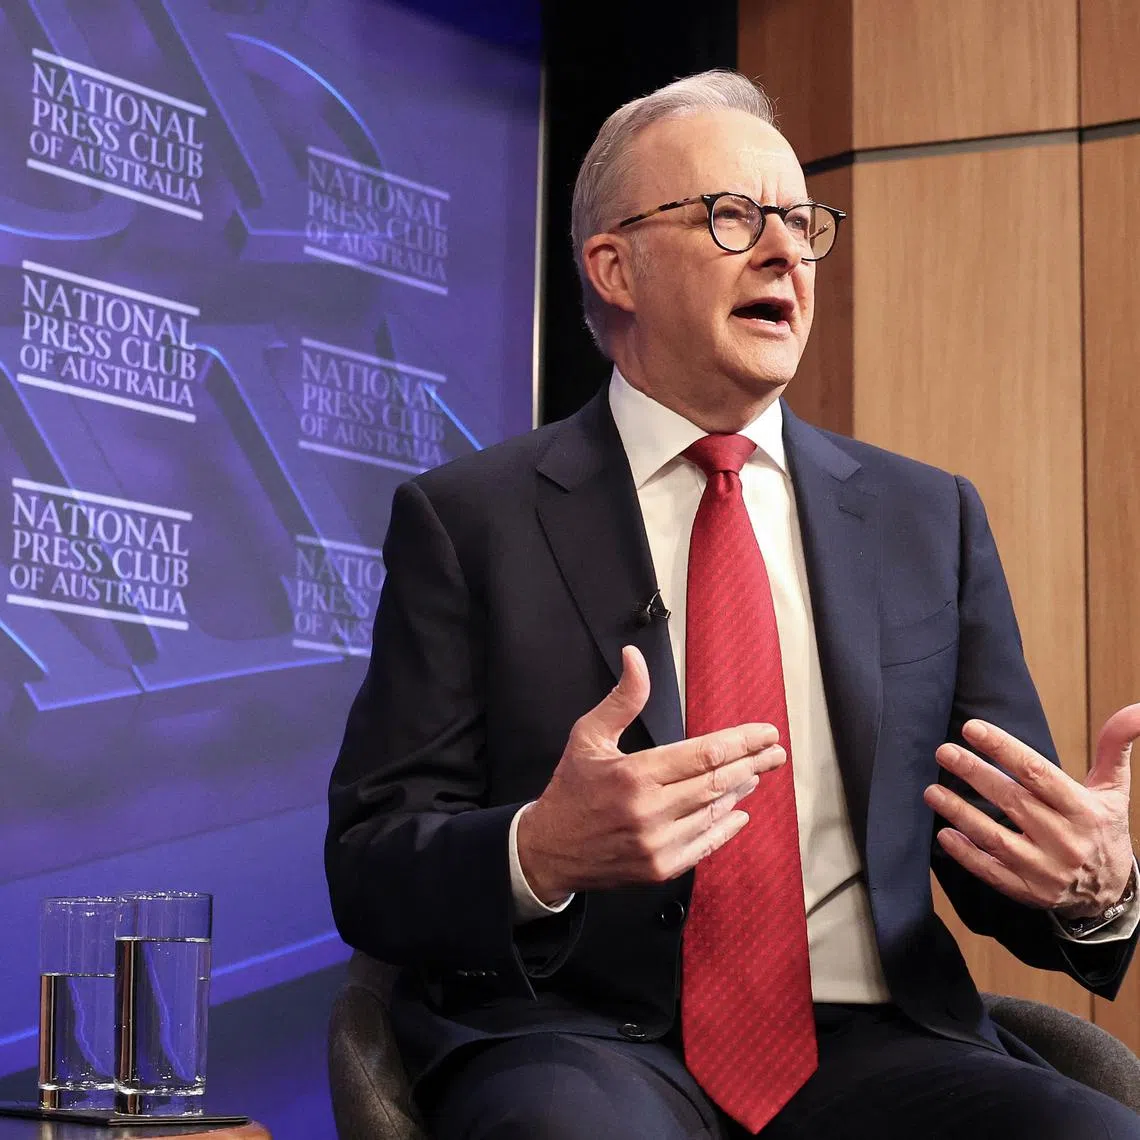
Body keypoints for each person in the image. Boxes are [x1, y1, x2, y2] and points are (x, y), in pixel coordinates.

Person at [325, 70, 1140, 1139]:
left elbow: (1002, 848)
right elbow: (372, 862)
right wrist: (542, 848)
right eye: (731, 217)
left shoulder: (923, 519)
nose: (786, 254)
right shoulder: (469, 520)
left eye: (802, 222)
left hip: (876, 1046)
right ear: (613, 265)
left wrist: (1096, 888)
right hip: (575, 1038)